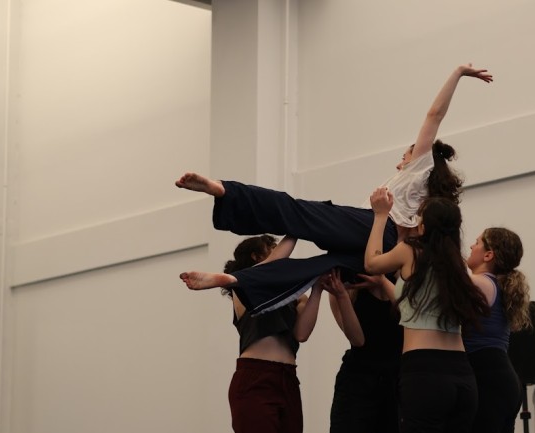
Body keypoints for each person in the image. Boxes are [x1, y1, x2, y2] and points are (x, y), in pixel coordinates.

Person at [174, 63, 493, 315]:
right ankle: (236, 280)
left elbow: (434, 115)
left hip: (373, 226)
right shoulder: (432, 206)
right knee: (317, 269)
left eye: (404, 157)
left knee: (296, 210)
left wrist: (457, 73)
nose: (400, 163)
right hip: (386, 253)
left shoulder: (420, 166)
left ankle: (223, 191)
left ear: (420, 160)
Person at [364, 189, 490, 433]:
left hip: (424, 376)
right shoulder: (458, 267)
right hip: (462, 378)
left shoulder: (411, 251)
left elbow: (372, 262)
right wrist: (388, 289)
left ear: (424, 223)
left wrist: (379, 216)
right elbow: (415, 309)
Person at [182, 234, 324, 433]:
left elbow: (302, 334)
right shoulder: (245, 287)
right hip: (254, 382)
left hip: (288, 383)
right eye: (272, 249)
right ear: (258, 257)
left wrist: (318, 291)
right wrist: (296, 227)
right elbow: (269, 271)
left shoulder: (292, 296)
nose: (279, 253)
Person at [314, 269, 407, 433]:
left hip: (399, 382)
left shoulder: (406, 280)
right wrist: (342, 295)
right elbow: (358, 339)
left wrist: (383, 282)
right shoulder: (348, 288)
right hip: (357, 382)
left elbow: (411, 320)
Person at [459, 228, 531, 433]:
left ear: (488, 255)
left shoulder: (478, 282)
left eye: (476, 242)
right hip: (503, 377)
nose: (471, 246)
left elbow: (443, 283)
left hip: (486, 378)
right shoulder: (497, 285)